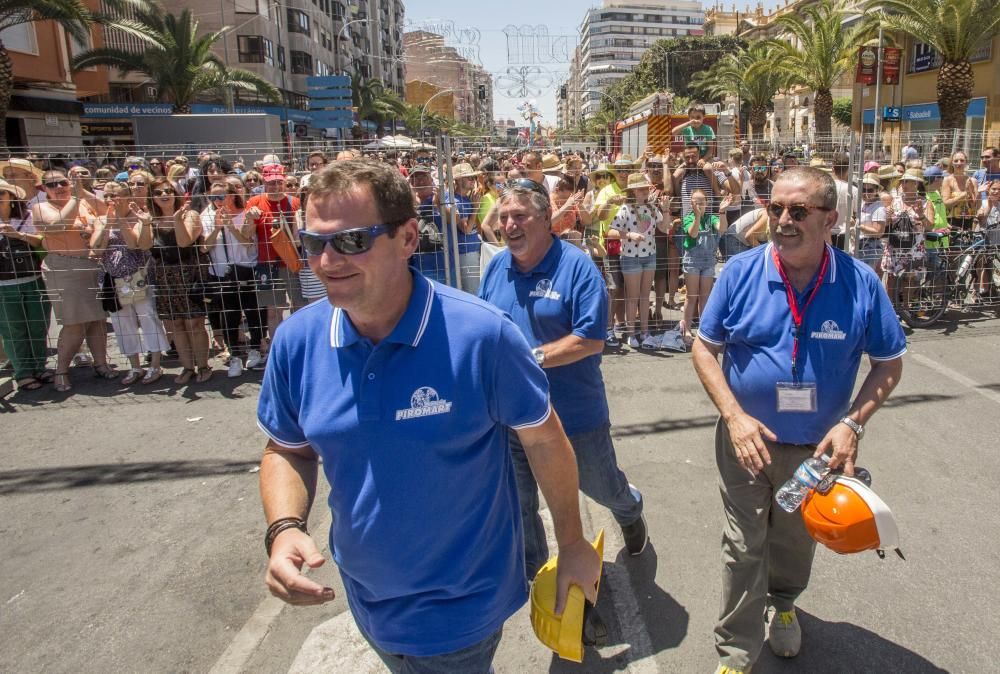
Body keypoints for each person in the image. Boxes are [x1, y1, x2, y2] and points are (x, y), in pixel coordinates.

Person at [257, 159, 601, 673]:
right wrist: (284, 528)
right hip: (366, 598)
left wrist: (572, 543)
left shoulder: (483, 336)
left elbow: (545, 440)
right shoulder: (296, 342)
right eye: (313, 243)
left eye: (351, 241)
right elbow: (288, 447)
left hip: (460, 608)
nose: (326, 261)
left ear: (409, 238)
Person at [692, 166, 907, 674]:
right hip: (746, 441)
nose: (783, 220)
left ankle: (784, 601)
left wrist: (852, 424)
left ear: (831, 218)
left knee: (793, 540)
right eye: (776, 208)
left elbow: (890, 362)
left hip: (815, 451)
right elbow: (704, 349)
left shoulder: (860, 284)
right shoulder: (740, 272)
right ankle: (736, 651)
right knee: (744, 545)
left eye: (799, 210)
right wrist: (734, 416)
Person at [479, 177, 648, 581]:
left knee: (601, 487)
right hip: (513, 417)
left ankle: (630, 509)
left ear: (546, 220)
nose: (509, 226)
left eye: (519, 216)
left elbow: (590, 340)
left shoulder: (577, 267)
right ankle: (545, 584)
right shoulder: (495, 268)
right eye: (503, 218)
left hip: (574, 414)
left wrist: (526, 359)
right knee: (520, 506)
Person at [31, 169, 113, 393]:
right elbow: (57, 225)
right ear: (44, 189)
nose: (59, 187)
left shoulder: (82, 201)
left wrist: (81, 191)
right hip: (63, 267)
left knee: (97, 319)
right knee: (73, 322)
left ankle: (101, 364)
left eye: (63, 182)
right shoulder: (40, 208)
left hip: (91, 265)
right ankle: (61, 371)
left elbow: (106, 210)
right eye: (52, 184)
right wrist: (75, 197)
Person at [90, 181, 169, 385]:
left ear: (127, 197)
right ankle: (134, 366)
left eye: (115, 196)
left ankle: (155, 365)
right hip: (112, 279)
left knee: (148, 318)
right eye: (106, 196)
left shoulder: (139, 217)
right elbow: (96, 248)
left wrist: (119, 219)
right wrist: (107, 224)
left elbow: (134, 244)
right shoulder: (101, 220)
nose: (110, 200)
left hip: (138, 276)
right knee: (122, 323)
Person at [148, 176, 212, 384]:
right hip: (164, 276)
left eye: (167, 191)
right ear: (152, 198)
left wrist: (176, 220)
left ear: (175, 194)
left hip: (189, 273)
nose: (164, 195)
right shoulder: (150, 219)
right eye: (158, 193)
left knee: (194, 323)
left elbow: (185, 242)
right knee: (175, 324)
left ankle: (203, 365)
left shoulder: (190, 214)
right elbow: (141, 245)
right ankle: (187, 367)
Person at [199, 178, 263, 378]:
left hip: (245, 268)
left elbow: (247, 244)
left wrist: (231, 226)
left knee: (252, 312)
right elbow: (204, 247)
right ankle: (235, 355)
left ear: (232, 195)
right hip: (220, 272)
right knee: (229, 315)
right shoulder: (207, 215)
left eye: (222, 196)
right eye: (213, 197)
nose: (218, 200)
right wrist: (218, 227)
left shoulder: (246, 212)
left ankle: (255, 348)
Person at [246, 163, 302, 365]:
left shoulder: (295, 202)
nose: (275, 187)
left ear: (285, 182)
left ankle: (299, 347)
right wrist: (250, 220)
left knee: (299, 306)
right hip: (266, 263)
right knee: (273, 310)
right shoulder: (254, 202)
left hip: (291, 262)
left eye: (279, 182)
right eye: (271, 183)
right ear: (264, 183)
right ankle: (277, 349)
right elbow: (247, 236)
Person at [0, 178, 51, 391]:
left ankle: (39, 366)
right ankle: (22, 372)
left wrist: (18, 234)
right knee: (13, 330)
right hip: (3, 284)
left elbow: (43, 241)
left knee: (38, 326)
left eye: (2, 193)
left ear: (11, 196)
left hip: (33, 278)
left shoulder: (28, 216)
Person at [610, 172, 662, 348]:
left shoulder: (652, 208)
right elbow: (611, 232)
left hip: (650, 255)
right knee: (633, 297)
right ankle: (632, 333)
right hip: (631, 257)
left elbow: (665, 226)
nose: (644, 192)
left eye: (645, 189)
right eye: (640, 189)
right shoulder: (625, 209)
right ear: (633, 192)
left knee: (645, 296)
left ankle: (645, 332)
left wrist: (667, 209)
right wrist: (629, 235)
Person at [679, 189, 731, 345]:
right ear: (691, 203)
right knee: (691, 296)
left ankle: (704, 328)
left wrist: (722, 212)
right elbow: (693, 234)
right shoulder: (688, 218)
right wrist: (696, 216)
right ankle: (687, 328)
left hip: (709, 260)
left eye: (702, 201)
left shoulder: (712, 217)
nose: (699, 204)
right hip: (692, 260)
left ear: (707, 203)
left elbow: (722, 229)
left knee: (705, 296)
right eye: (695, 201)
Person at [857, 174, 887, 273]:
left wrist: (858, 226)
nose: (866, 193)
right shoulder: (863, 204)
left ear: (876, 190)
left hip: (870, 247)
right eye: (863, 190)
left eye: (869, 190)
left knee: (865, 276)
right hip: (862, 245)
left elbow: (878, 232)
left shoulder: (879, 208)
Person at [942, 150, 978, 231]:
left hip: (969, 221)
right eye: (956, 161)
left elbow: (975, 205)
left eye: (962, 160)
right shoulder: (947, 180)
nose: (959, 163)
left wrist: (971, 191)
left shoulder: (973, 181)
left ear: (966, 163)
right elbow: (946, 203)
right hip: (951, 222)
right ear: (952, 163)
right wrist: (964, 193)